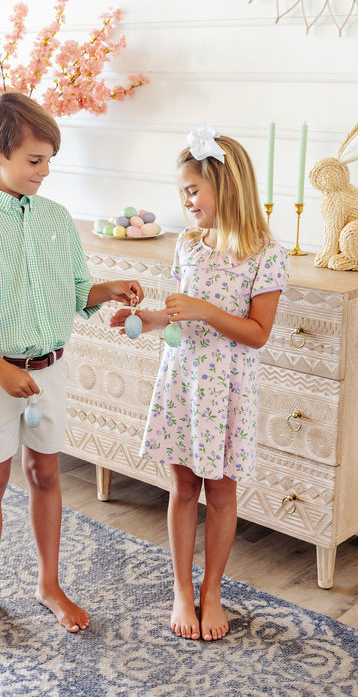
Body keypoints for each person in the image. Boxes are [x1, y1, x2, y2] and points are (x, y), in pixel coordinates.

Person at [0, 91, 144, 648]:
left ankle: (50, 584)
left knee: (46, 475)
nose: (45, 171)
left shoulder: (55, 219)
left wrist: (108, 289)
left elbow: (75, 292)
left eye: (49, 160)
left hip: (50, 372)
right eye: (34, 160)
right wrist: (0, 372)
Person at [111, 122, 289, 642]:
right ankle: (181, 589)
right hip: (183, 382)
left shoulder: (265, 253)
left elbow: (257, 334)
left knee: (222, 493)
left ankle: (212, 592)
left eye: (192, 190)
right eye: (182, 192)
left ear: (226, 188)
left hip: (227, 389)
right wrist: (145, 319)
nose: (185, 201)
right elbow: (181, 315)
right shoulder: (188, 244)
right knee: (184, 488)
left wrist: (205, 310)